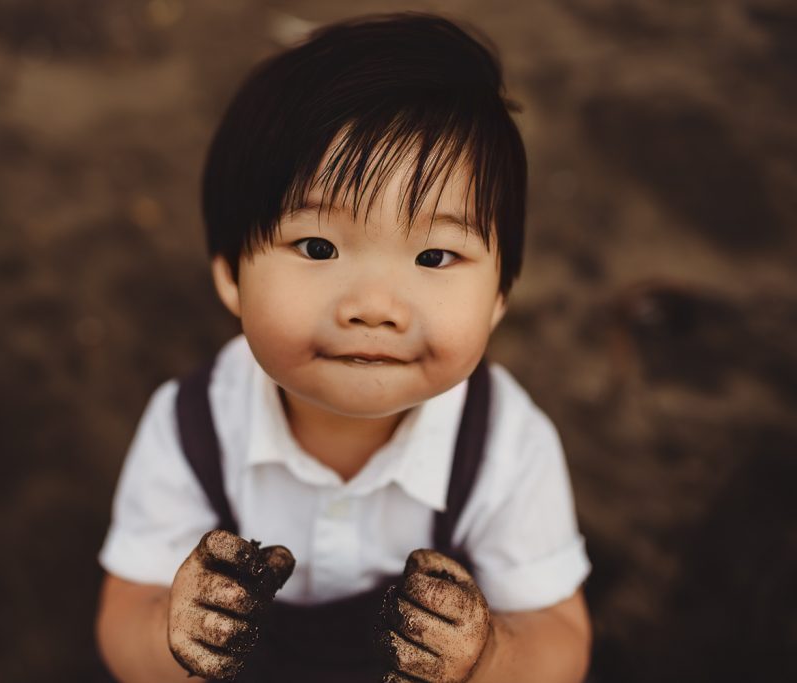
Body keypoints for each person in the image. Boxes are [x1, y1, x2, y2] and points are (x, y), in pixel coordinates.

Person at [95, 12, 592, 683]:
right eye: (318, 247)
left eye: (435, 254)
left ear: (501, 293)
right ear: (230, 272)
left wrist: (489, 654)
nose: (374, 306)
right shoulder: (192, 427)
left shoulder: (504, 444)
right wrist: (174, 632)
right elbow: (122, 616)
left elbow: (560, 640)